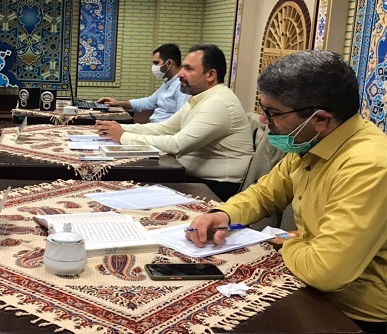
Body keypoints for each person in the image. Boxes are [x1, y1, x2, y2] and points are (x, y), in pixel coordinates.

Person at [185, 50, 387, 334]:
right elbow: (264, 193)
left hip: (352, 314)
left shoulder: (369, 165)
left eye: (272, 113)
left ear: (320, 119)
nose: (262, 120)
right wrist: (224, 214)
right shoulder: (312, 143)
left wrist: (282, 239)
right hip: (307, 285)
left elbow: (325, 270)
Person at [95, 44, 253, 201]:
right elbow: (165, 128)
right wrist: (119, 128)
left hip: (216, 187)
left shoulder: (218, 103)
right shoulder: (200, 98)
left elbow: (177, 144)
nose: (180, 74)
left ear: (211, 75)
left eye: (188, 69)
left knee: (129, 192)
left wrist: (123, 136)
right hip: (192, 176)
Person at [96, 43, 189, 123]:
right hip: (155, 127)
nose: (154, 67)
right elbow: (149, 102)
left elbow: (181, 119)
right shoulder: (168, 83)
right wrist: (118, 103)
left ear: (169, 63)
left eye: (156, 63)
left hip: (164, 132)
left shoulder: (181, 86)